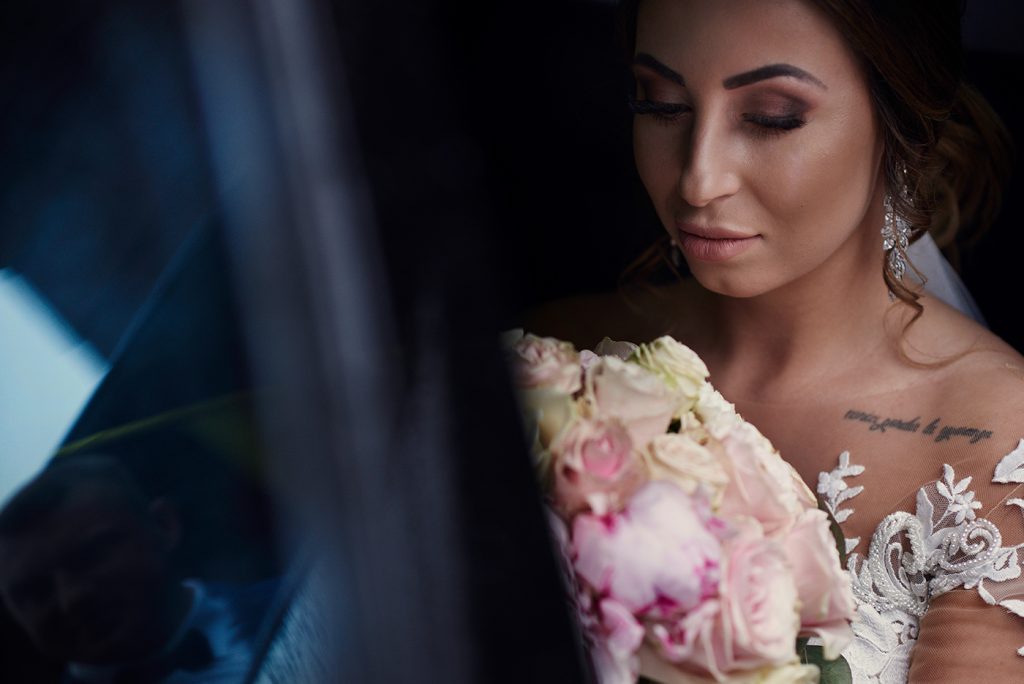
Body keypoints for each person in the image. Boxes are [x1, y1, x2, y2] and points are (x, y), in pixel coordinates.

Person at [527, 1, 1023, 681]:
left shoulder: (995, 451)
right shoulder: (555, 360)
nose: (699, 180)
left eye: (772, 118)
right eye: (661, 104)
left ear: (900, 122)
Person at [0, 455, 276, 683]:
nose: (72, 598)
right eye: (34, 591)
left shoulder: (294, 604)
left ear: (164, 525)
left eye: (90, 556)